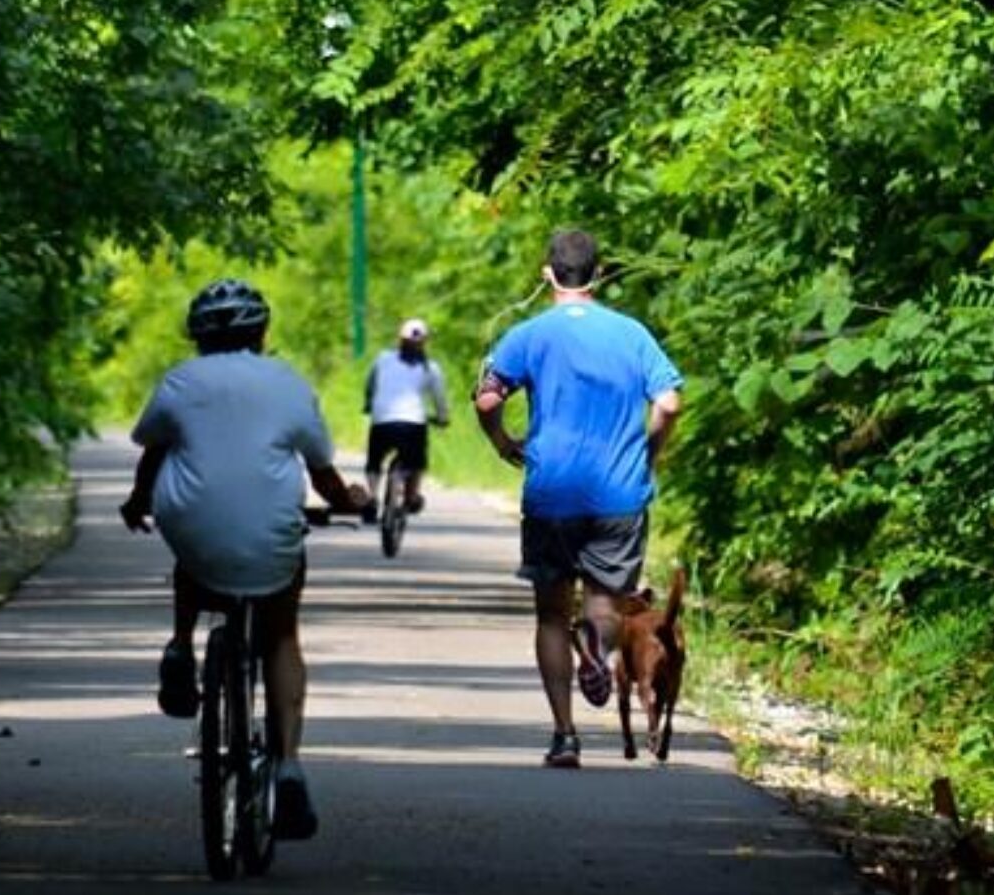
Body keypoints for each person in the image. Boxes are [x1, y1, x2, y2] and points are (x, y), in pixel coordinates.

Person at [119, 278, 368, 838]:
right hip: (271, 538)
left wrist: (137, 504)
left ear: (197, 337)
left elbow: (153, 454)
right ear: (262, 332)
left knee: (194, 551)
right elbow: (324, 477)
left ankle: (181, 647)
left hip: (193, 534)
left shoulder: (180, 381)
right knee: (281, 632)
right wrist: (350, 500)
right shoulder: (287, 383)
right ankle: (289, 767)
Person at [473, 231, 685, 769]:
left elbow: (486, 397)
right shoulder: (632, 334)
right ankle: (595, 646)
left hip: (551, 493)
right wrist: (649, 452)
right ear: (601, 272)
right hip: (617, 492)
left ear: (549, 274)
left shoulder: (528, 335)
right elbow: (669, 402)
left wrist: (503, 445)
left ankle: (565, 734)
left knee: (549, 615)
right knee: (605, 603)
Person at [362, 317, 451, 518]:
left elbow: (370, 384)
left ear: (399, 339)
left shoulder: (383, 359)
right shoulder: (430, 368)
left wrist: (369, 404)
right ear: (424, 342)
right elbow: (439, 398)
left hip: (382, 419)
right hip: (413, 422)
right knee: (417, 461)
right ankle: (411, 497)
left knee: (375, 460)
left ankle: (372, 496)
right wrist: (442, 418)